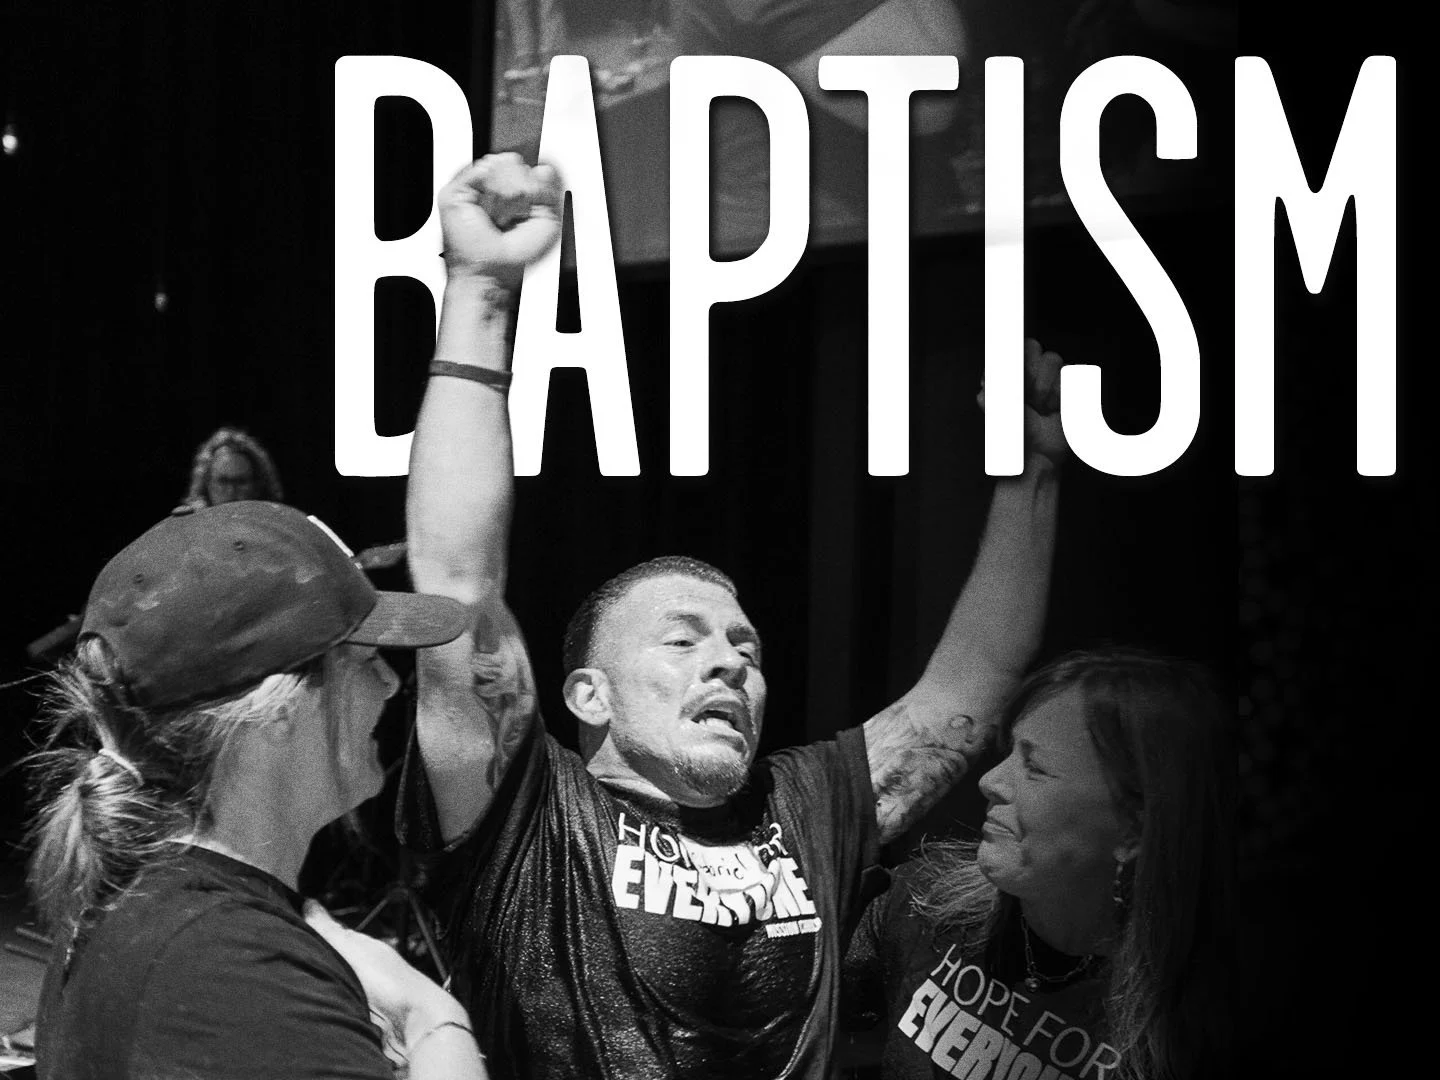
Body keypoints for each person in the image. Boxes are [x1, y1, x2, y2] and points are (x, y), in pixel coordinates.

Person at [396, 154, 1066, 1078]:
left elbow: (972, 685)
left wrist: (1034, 471)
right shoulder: (530, 819)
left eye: (746, 647)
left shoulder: (804, 806)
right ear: (587, 694)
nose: (730, 662)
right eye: (683, 639)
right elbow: (456, 585)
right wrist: (479, 286)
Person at [28, 499, 491, 1080]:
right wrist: (432, 1018)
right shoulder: (225, 968)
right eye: (366, 660)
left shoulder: (176, 915)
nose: (391, 683)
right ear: (278, 709)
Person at [842, 648, 1232, 1079]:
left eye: (1037, 767)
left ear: (1133, 830)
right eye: (1010, 753)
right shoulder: (925, 901)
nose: (990, 782)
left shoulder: (1198, 1023)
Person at [181, 425, 285, 509]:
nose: (231, 491)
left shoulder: (276, 523)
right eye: (223, 481)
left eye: (241, 482)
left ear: (257, 485)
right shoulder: (192, 524)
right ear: (207, 483)